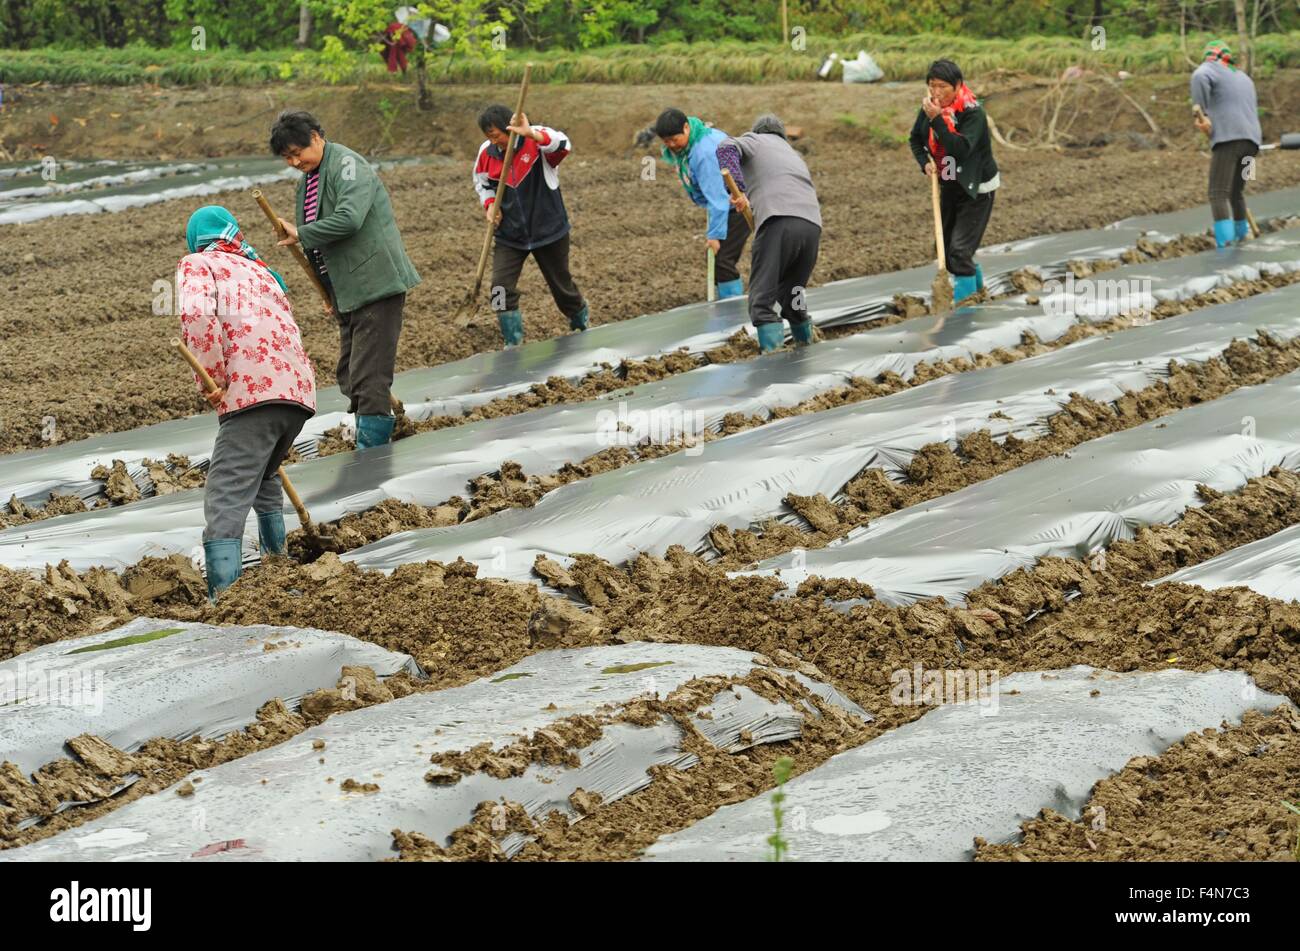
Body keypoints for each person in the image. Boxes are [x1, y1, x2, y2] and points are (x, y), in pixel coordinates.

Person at [177, 206, 316, 602]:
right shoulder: (261, 270)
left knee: (226, 489)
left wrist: (212, 380)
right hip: (297, 394)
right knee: (263, 477)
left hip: (252, 393)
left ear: (196, 238)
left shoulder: (198, 264)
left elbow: (197, 318)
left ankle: (229, 597)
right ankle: (278, 568)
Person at [269, 110, 419, 449]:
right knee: (349, 375)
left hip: (374, 282)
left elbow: (349, 219)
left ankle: (372, 454)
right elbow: (320, 244)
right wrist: (327, 289)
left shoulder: (347, 165)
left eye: (298, 152)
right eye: (287, 157)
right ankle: (391, 414)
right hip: (346, 288)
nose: (294, 161)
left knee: (367, 380)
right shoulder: (308, 181)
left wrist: (302, 232)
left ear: (317, 137)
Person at [473, 103, 588, 347]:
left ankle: (580, 322)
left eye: (497, 135)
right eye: (489, 137)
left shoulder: (535, 139)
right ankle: (511, 342)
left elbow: (564, 145)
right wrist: (491, 204)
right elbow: (481, 182)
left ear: (510, 128)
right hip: (510, 235)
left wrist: (531, 133)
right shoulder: (487, 152)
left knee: (562, 287)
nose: (494, 142)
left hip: (549, 230)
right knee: (499, 288)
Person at [716, 114, 822, 353]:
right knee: (794, 293)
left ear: (759, 132)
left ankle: (773, 360)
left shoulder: (756, 140)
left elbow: (725, 147)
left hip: (779, 222)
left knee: (761, 300)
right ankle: (807, 346)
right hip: (811, 227)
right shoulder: (793, 154)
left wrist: (738, 190)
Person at [908, 59, 999, 304]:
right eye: (931, 86)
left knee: (959, 252)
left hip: (975, 189)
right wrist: (924, 162)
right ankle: (979, 292)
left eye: (942, 87)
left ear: (957, 85)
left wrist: (938, 120)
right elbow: (915, 139)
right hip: (948, 183)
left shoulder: (973, 113)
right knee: (947, 254)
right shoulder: (929, 109)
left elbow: (960, 150)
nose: (936, 93)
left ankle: (964, 315)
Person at [654, 107, 751, 300]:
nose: (671, 145)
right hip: (731, 200)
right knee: (720, 261)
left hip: (741, 203)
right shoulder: (698, 138)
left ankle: (732, 313)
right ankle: (727, 303)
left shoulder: (704, 154)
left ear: (686, 128)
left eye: (675, 139)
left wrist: (714, 236)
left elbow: (719, 200)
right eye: (666, 141)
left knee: (722, 261)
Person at [1191, 39, 1262, 247]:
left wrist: (1200, 113)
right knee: (1236, 191)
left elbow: (1198, 76)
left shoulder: (1208, 68)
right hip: (1252, 144)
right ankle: (1243, 235)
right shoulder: (1244, 77)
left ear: (1209, 56)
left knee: (1217, 192)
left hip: (1230, 139)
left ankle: (1226, 245)